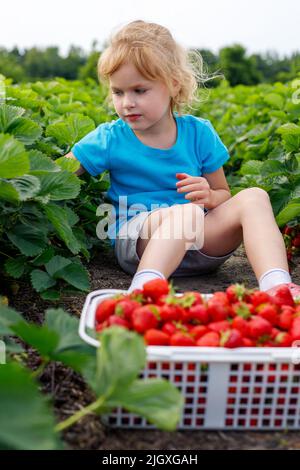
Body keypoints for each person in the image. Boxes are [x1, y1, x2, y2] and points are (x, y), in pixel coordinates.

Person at [66, 20, 299, 298]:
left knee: (254, 197)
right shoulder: (110, 137)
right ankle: (144, 290)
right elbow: (61, 172)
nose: (127, 102)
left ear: (173, 85)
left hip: (200, 247)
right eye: (118, 92)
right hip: (139, 243)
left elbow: (223, 193)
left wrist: (211, 198)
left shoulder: (199, 133)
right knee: (184, 213)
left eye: (139, 90)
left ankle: (278, 286)